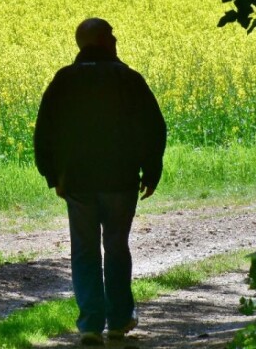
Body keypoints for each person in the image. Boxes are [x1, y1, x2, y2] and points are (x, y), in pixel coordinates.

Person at [33, 17, 167, 346]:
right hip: (120, 180)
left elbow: (44, 132)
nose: (116, 38)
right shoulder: (128, 79)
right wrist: (151, 172)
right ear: (104, 41)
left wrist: (53, 176)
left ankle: (90, 324)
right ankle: (119, 320)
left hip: (76, 182)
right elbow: (154, 129)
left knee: (84, 251)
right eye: (112, 33)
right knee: (117, 248)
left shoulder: (63, 80)